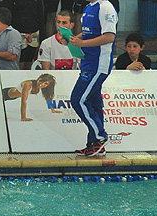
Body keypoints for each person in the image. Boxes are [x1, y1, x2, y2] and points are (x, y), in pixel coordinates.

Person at [67, 0, 116, 157]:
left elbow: (109, 37)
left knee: (78, 100)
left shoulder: (106, 7)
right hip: (88, 61)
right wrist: (74, 39)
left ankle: (101, 136)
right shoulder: (89, 7)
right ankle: (94, 144)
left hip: (98, 63)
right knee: (93, 103)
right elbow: (89, 33)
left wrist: (82, 43)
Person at [2, 0, 44, 69]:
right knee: (19, 61)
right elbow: (8, 14)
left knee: (29, 61)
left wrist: (42, 37)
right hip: (18, 34)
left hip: (33, 34)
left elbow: (41, 15)